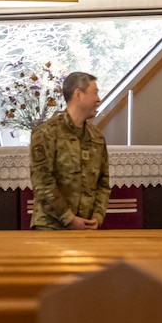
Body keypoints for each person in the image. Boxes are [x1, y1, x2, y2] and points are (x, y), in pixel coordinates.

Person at [28, 72, 109, 231]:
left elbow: (103, 183)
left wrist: (97, 217)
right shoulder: (46, 133)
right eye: (95, 93)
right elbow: (43, 183)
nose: (98, 99)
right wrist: (69, 219)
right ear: (78, 94)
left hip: (86, 228)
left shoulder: (97, 137)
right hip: (50, 228)